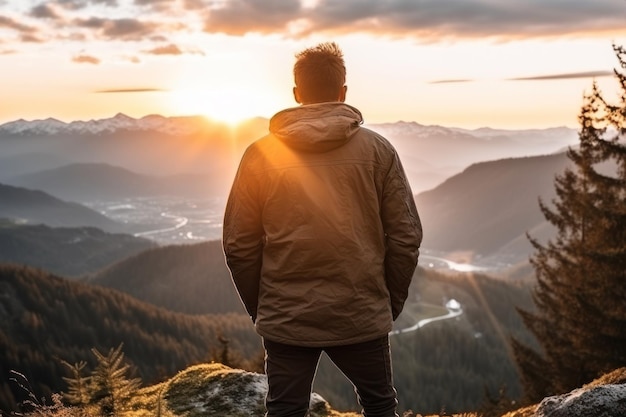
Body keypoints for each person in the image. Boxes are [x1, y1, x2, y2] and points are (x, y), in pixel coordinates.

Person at [222, 42, 422, 417]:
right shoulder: (379, 151)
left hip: (287, 317)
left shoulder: (259, 155)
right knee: (380, 406)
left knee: (285, 410)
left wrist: (263, 307)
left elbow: (238, 244)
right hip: (360, 310)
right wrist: (387, 302)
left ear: (297, 94)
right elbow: (406, 236)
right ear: (343, 92)